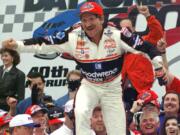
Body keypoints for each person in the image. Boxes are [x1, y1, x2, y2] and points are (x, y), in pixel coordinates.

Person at [2, 2, 163, 135]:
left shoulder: (118, 35)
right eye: (84, 20)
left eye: (91, 19)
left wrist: (158, 67)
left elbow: (147, 47)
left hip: (112, 88)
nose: (87, 24)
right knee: (80, 112)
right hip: (90, 85)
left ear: (101, 19)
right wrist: (17, 45)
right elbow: (44, 43)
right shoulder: (73, 36)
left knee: (118, 130)